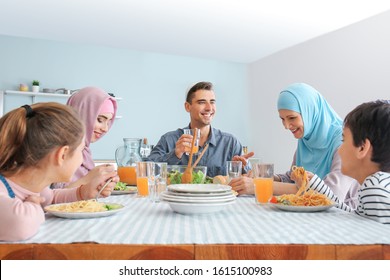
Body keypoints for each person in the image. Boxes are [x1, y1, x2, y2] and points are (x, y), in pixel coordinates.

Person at [231, 83, 359, 208]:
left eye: (292, 118)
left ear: (310, 111)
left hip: (342, 216)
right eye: (282, 119)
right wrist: (263, 175)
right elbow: (292, 178)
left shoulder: (344, 140)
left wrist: (258, 185)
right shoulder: (306, 139)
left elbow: (332, 194)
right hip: (311, 215)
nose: (286, 126)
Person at [0, 103, 113, 241]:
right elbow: (20, 224)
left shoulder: (34, 185)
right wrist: (34, 206)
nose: (83, 157)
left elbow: (51, 199)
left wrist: (83, 192)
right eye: (81, 150)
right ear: (63, 155)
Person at [305, 101, 390, 224]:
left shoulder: (375, 191)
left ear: (362, 148)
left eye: (343, 140)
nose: (339, 149)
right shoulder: (375, 185)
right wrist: (319, 187)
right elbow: (353, 216)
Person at [147, 81, 251, 177]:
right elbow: (146, 171)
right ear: (188, 107)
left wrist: (240, 168)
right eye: (202, 102)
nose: (209, 108)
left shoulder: (230, 143)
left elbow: (250, 177)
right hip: (180, 197)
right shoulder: (169, 139)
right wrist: (175, 154)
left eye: (212, 102)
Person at [52, 86, 119, 190]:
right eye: (100, 120)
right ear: (83, 114)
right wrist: (90, 178)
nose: (105, 129)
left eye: (108, 122)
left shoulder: (84, 150)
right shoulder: (61, 149)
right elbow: (54, 198)